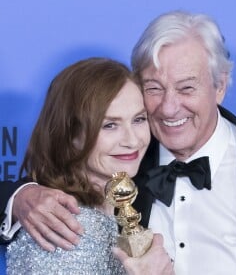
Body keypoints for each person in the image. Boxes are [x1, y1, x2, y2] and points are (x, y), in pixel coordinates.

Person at [1, 11, 236, 275]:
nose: (169, 108)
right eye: (154, 88)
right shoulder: (121, 159)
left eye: (186, 88)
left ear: (219, 86)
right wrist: (20, 198)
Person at [4, 57, 174, 274]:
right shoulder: (63, 232)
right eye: (110, 125)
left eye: (139, 120)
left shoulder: (118, 205)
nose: (132, 140)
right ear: (71, 136)